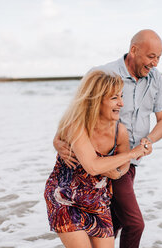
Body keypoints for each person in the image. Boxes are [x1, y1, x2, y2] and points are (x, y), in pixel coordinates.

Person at [54, 29, 162, 248]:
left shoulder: (156, 78)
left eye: (159, 57)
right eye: (151, 56)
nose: (155, 63)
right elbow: (76, 112)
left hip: (129, 162)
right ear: (134, 50)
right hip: (101, 161)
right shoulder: (103, 74)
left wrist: (148, 141)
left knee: (114, 219)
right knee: (135, 223)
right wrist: (57, 140)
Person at [44, 70, 149, 248]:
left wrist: (116, 172)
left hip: (98, 201)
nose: (121, 103)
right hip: (66, 198)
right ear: (96, 99)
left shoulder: (119, 132)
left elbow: (121, 168)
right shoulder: (76, 126)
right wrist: (133, 153)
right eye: (115, 98)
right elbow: (93, 166)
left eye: (121, 96)